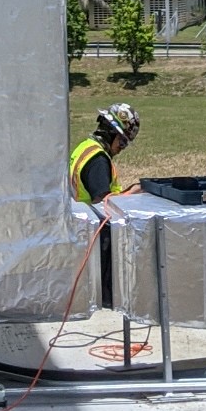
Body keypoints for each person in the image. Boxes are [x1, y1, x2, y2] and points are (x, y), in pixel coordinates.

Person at [69, 104, 140, 307]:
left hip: (81, 227)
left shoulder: (86, 147)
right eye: (122, 142)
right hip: (94, 234)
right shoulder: (98, 160)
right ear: (110, 132)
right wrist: (133, 192)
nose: (122, 148)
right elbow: (103, 201)